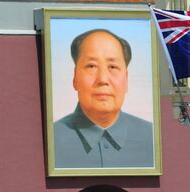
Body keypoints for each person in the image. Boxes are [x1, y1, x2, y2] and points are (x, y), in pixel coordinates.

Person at [54, 29, 154, 169]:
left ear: (126, 79)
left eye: (112, 67)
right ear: (75, 77)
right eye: (91, 66)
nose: (102, 79)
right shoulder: (52, 139)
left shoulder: (152, 137)